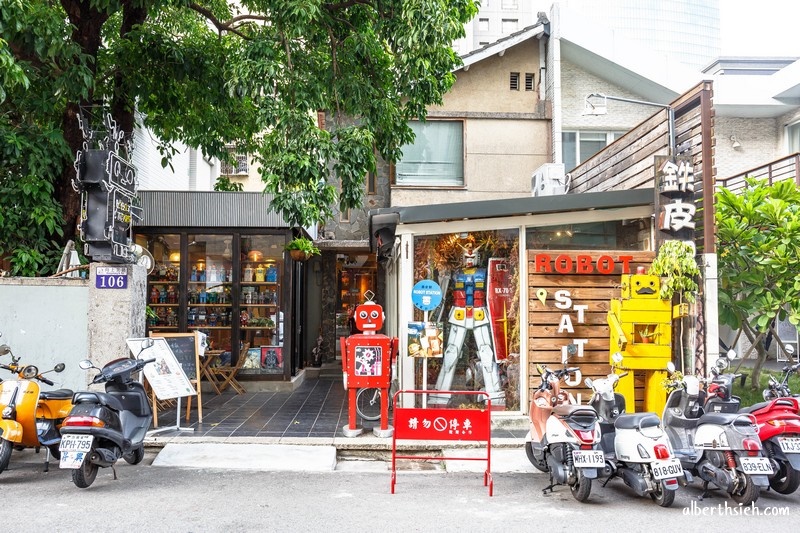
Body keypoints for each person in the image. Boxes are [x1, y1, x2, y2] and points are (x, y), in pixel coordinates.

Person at [430, 243, 504, 406]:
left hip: (479, 313)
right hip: (459, 313)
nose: (469, 259)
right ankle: (440, 394)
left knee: (486, 353)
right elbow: (442, 294)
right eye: (467, 256)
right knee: (451, 353)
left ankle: (494, 394)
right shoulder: (454, 274)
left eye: (472, 257)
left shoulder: (485, 273)